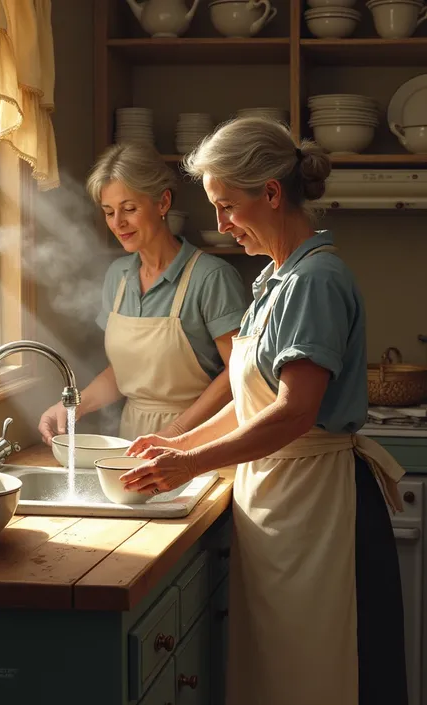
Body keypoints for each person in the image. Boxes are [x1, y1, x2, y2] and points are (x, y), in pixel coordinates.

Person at [119, 118, 409, 705]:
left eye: (228, 206)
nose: (221, 225)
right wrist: (179, 447)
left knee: (318, 676)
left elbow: (294, 413)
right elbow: (252, 397)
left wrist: (191, 462)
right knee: (280, 677)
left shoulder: (315, 282)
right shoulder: (279, 277)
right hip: (283, 502)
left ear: (272, 194)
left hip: (318, 507)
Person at [38, 142, 247, 443]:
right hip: (132, 438)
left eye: (129, 209)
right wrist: (72, 407)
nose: (118, 223)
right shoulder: (118, 277)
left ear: (162, 203)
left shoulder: (210, 277)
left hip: (197, 439)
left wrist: (175, 432)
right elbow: (122, 374)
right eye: (109, 212)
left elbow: (237, 373)